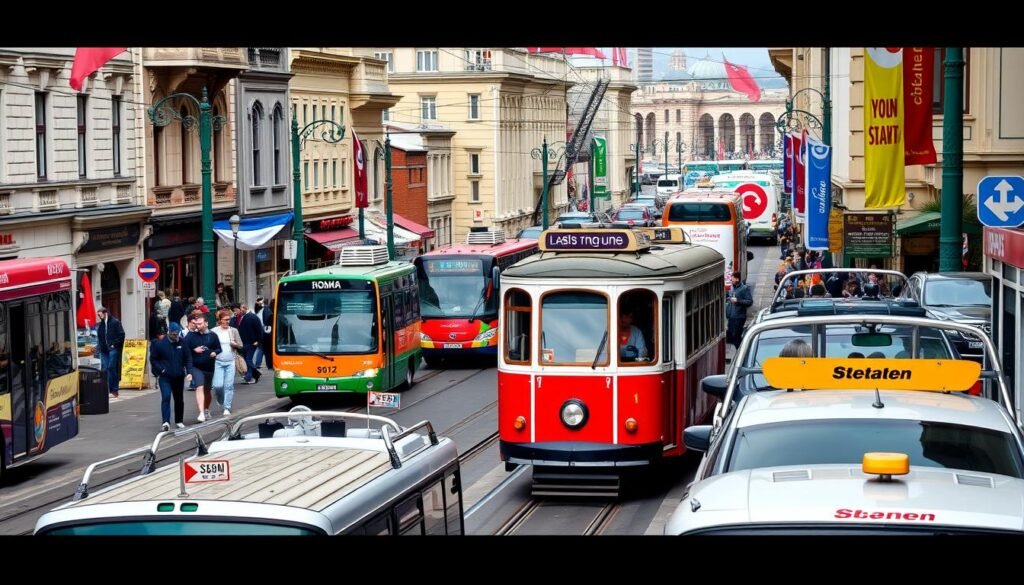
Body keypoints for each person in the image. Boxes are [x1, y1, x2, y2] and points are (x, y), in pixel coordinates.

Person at [149, 322, 192, 430]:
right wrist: (161, 370)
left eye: (177, 334)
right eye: (173, 334)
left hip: (178, 375)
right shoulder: (160, 344)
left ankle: (179, 420)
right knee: (166, 396)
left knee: (179, 398)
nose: (176, 336)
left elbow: (188, 357)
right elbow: (153, 359)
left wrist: (189, 371)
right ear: (169, 332)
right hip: (165, 376)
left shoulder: (183, 342)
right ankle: (166, 421)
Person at [184, 312, 221, 422]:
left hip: (209, 366)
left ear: (206, 323)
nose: (198, 325)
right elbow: (184, 348)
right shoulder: (191, 335)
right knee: (199, 386)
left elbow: (219, 348)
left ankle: (206, 409)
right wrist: (193, 350)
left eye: (200, 323)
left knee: (207, 390)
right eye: (196, 323)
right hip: (196, 366)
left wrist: (215, 353)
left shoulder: (213, 336)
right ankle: (201, 413)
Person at [211, 309, 243, 416]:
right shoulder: (214, 331)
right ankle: (220, 399)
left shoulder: (233, 331)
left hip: (230, 361)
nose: (227, 322)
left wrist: (235, 345)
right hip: (218, 361)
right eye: (225, 320)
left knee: (229, 386)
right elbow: (210, 344)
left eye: (228, 319)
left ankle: (227, 407)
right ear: (219, 320)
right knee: (217, 385)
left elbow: (241, 345)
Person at [95, 307, 125, 399]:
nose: (99, 316)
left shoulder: (115, 322)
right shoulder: (101, 325)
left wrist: (114, 344)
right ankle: (108, 389)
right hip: (104, 349)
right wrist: (98, 346)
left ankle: (114, 389)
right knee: (105, 368)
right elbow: (100, 337)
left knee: (111, 367)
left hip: (113, 348)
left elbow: (122, 335)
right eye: (98, 315)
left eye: (100, 314)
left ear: (105, 313)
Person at [726, 271, 753, 350]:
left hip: (739, 317)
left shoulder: (744, 288)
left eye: (733, 278)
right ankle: (740, 350)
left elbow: (749, 301)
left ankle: (742, 350)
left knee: (736, 336)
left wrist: (738, 301)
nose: (731, 279)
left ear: (737, 279)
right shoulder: (732, 287)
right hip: (731, 316)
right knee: (731, 336)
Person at [237, 303, 264, 384]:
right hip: (246, 342)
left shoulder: (252, 317)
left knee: (248, 359)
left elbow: (259, 330)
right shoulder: (244, 317)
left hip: (251, 343)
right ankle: (251, 376)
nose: (241, 311)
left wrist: (258, 341)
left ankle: (252, 376)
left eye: (242, 309)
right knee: (247, 360)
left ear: (245, 308)